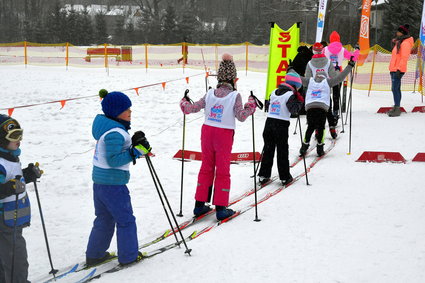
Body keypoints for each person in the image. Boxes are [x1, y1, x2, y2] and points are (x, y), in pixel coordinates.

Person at [180, 53, 257, 220]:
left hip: (207, 132)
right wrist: (251, 105)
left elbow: (191, 108)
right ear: (234, 79)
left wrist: (184, 103)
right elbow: (241, 116)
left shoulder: (209, 93)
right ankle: (221, 208)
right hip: (224, 134)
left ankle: (199, 205)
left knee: (206, 167)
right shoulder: (234, 95)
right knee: (222, 170)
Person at [85, 90, 151, 267]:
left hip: (100, 183)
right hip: (113, 184)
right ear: (116, 113)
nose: (130, 112)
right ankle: (129, 256)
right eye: (126, 109)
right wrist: (136, 151)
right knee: (125, 220)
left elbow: (117, 152)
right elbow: (114, 160)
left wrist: (134, 146)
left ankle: (95, 254)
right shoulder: (115, 132)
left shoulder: (109, 129)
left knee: (104, 219)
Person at [0, 114, 42, 283]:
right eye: (14, 136)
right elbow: (7, 184)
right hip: (5, 220)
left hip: (12, 218)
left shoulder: (10, 157)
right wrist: (8, 188)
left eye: (20, 134)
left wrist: (28, 175)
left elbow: (14, 178)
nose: (19, 140)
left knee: (8, 254)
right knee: (15, 257)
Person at [298, 58, 355, 157]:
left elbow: (297, 78)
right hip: (322, 107)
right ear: (325, 77)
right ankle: (320, 148)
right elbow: (340, 77)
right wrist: (350, 66)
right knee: (321, 127)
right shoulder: (328, 82)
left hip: (310, 106)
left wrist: (290, 70)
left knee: (310, 127)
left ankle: (304, 146)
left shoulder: (310, 81)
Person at [257, 72, 304, 186]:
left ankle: (263, 175)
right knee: (282, 151)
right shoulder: (290, 95)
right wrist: (300, 101)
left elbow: (268, 106)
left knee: (268, 149)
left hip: (269, 123)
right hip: (281, 124)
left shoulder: (274, 92)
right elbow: (294, 111)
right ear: (295, 86)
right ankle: (284, 176)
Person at [305, 42, 339, 140]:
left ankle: (317, 130)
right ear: (322, 50)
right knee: (327, 109)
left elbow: (307, 78)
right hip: (325, 89)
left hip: (314, 91)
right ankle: (332, 129)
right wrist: (336, 71)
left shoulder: (310, 63)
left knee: (316, 110)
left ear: (313, 51)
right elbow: (333, 76)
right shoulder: (328, 62)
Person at [323, 31, 359, 124]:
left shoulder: (325, 49)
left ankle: (328, 112)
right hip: (338, 74)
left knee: (326, 95)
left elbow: (318, 58)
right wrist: (357, 50)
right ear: (339, 39)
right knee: (336, 95)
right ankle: (335, 114)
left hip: (326, 75)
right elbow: (353, 58)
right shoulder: (342, 50)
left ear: (330, 40)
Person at [388, 24, 414, 117]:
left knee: (395, 88)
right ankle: (396, 106)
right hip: (394, 69)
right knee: (395, 88)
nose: (397, 33)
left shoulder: (405, 43)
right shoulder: (399, 42)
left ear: (402, 33)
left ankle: (397, 108)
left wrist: (399, 69)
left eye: (398, 31)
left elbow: (404, 58)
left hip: (398, 69)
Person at [290, 45, 313, 115]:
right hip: (297, 75)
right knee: (300, 92)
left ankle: (297, 109)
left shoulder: (303, 53)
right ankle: (299, 109)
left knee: (297, 92)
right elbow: (304, 67)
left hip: (293, 73)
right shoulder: (307, 55)